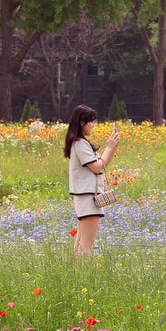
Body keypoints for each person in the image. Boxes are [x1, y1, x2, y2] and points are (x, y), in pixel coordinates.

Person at [64, 104, 121, 256]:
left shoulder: (78, 143)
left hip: (85, 197)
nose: (93, 125)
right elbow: (96, 167)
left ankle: (76, 269)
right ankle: (83, 271)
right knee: (86, 244)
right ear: (82, 122)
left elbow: (102, 165)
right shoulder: (80, 143)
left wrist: (113, 147)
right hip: (89, 198)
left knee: (80, 243)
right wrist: (109, 148)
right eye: (91, 121)